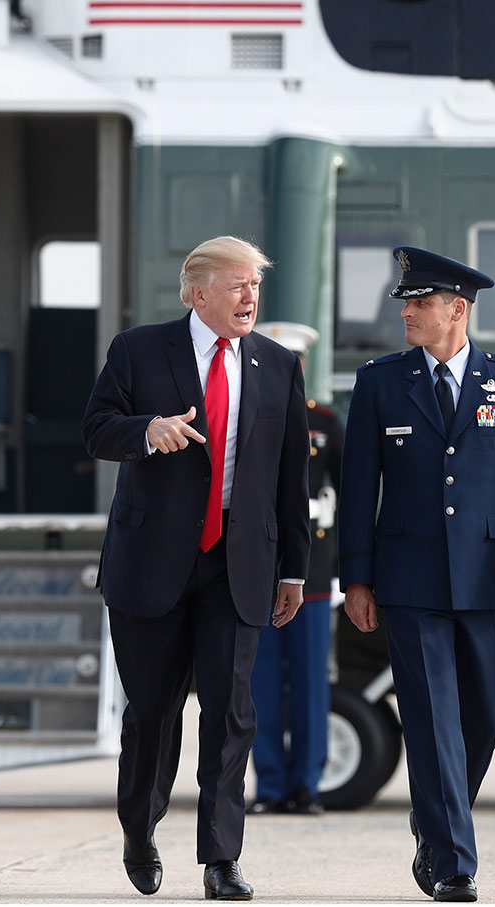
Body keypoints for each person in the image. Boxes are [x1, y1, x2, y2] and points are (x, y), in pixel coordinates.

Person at [82, 236, 311, 901]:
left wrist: (293, 570)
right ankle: (140, 826)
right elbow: (96, 429)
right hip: (151, 562)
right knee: (152, 711)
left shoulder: (278, 363)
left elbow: (288, 478)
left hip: (236, 565)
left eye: (256, 286)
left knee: (231, 710)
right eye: (237, 284)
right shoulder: (138, 350)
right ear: (197, 291)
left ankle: (220, 857)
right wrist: (147, 430)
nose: (250, 297)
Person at [338, 247, 495, 903]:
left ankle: (433, 824)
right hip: (407, 580)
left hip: (486, 576)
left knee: (484, 719)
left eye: (419, 303)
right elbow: (357, 488)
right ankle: (455, 863)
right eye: (405, 302)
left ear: (456, 310)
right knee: (432, 720)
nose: (406, 312)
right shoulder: (380, 382)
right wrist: (357, 578)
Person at [247, 322, 340, 817]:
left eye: (295, 362)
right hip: (256, 569)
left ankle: (307, 785)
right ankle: (270, 785)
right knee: (259, 684)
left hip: (314, 573)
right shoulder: (245, 415)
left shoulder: (324, 421)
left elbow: (350, 495)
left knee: (308, 683)